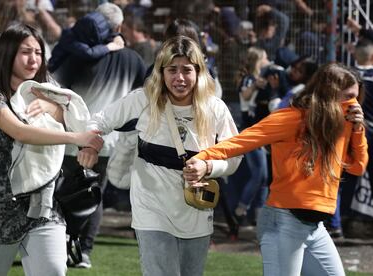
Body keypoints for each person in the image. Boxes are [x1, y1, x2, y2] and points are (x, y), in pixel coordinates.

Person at [78, 35, 242, 276]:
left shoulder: (214, 107)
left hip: (196, 212)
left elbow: (235, 156)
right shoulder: (143, 99)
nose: (179, 78)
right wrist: (90, 146)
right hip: (151, 210)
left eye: (187, 70)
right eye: (172, 70)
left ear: (198, 71)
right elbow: (99, 120)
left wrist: (208, 168)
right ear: (161, 72)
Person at [183, 63, 368, 276]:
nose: (353, 104)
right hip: (284, 223)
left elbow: (358, 167)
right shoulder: (292, 117)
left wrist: (358, 130)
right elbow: (242, 140)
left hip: (315, 227)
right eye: (348, 97)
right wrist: (202, 159)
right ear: (329, 94)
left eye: (355, 97)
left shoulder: (342, 123)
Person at [0, 23, 102, 276]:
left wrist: (52, 108)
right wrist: (75, 136)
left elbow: (73, 113)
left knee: (54, 270)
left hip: (45, 203)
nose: (33, 59)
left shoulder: (49, 89)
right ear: (8, 53)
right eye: (26, 52)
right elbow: (20, 132)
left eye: (38, 52)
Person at [51, 2, 146, 269]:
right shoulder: (134, 60)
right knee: (94, 194)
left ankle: (61, 246)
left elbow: (54, 88)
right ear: (118, 27)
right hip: (108, 142)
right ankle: (83, 251)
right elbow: (142, 100)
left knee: (61, 193)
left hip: (73, 139)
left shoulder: (78, 55)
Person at [231, 47, 270, 224]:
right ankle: (241, 209)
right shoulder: (249, 80)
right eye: (264, 58)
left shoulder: (260, 80)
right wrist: (255, 85)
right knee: (259, 173)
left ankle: (259, 214)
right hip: (249, 133)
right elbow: (245, 95)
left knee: (264, 177)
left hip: (260, 133)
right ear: (257, 61)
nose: (267, 61)